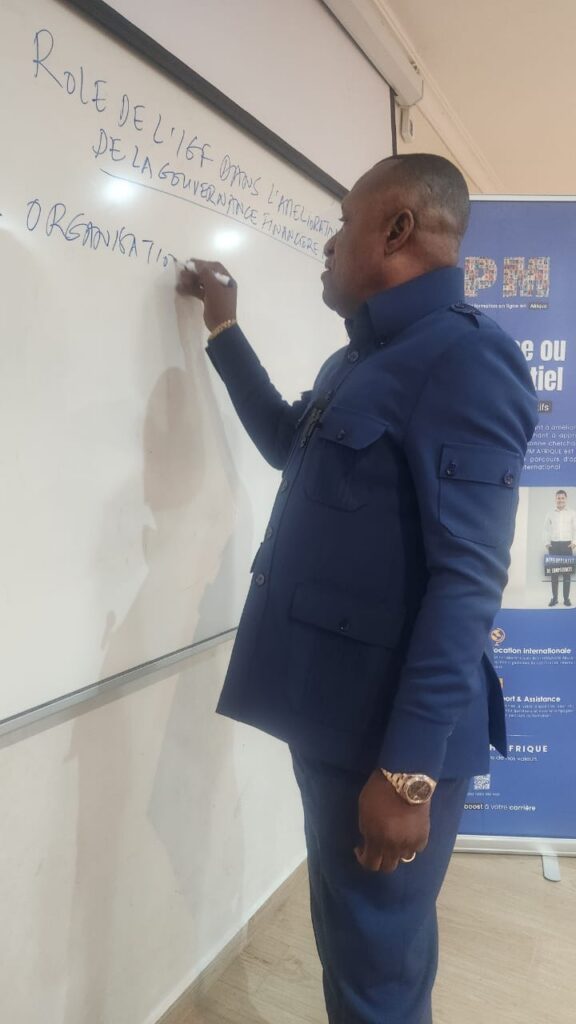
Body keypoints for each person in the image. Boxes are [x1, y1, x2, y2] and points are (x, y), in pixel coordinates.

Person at [177, 154, 538, 1024]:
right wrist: (225, 331)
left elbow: (467, 583)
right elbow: (286, 443)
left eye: (342, 224)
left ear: (397, 229)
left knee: (376, 972)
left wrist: (408, 772)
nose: (329, 244)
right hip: (337, 721)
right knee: (360, 945)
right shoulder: (365, 358)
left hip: (388, 740)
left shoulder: (467, 359)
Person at [544, 489, 576, 606]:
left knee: (567, 574)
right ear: (555, 499)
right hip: (554, 546)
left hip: (567, 546)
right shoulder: (550, 513)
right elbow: (545, 529)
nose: (560, 500)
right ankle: (555, 598)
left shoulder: (572, 513)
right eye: (558, 498)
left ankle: (566, 599)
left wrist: (574, 542)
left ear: (566, 499)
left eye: (562, 498)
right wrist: (547, 543)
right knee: (554, 574)